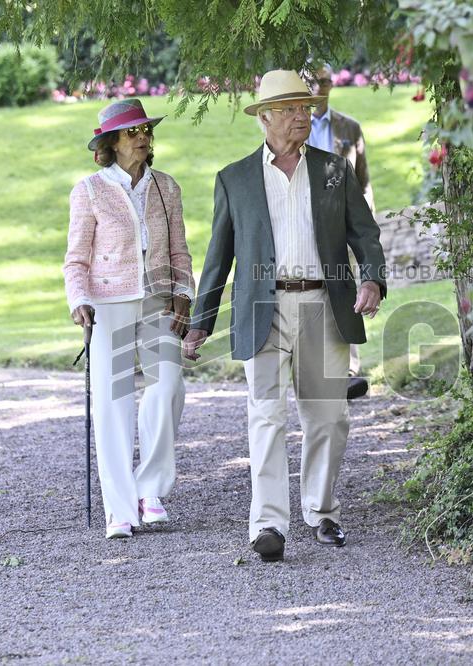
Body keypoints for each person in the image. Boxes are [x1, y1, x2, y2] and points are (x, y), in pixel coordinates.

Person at [183, 70, 387, 562]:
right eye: (294, 107)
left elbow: (366, 233)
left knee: (328, 418)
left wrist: (372, 278)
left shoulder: (335, 169)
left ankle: (322, 512)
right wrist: (200, 322)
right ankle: (268, 525)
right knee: (266, 418)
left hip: (323, 304)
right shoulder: (235, 179)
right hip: (262, 307)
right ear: (266, 117)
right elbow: (219, 256)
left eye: (307, 106)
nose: (305, 113)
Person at [64, 99, 195, 539]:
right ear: (111, 144)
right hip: (109, 304)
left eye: (145, 130)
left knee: (169, 386)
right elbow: (75, 259)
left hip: (158, 300)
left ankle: (150, 489)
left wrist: (184, 294)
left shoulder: (167, 188)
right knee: (114, 402)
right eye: (131, 132)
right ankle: (119, 509)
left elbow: (180, 250)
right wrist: (79, 298)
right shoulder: (89, 190)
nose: (142, 138)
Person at [307, 64, 376, 400]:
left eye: (323, 81)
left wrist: (368, 229)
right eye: (311, 81)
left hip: (343, 221)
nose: (318, 88)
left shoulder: (349, 127)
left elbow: (363, 183)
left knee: (345, 288)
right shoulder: (295, 125)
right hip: (306, 219)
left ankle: (348, 371)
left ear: (332, 84)